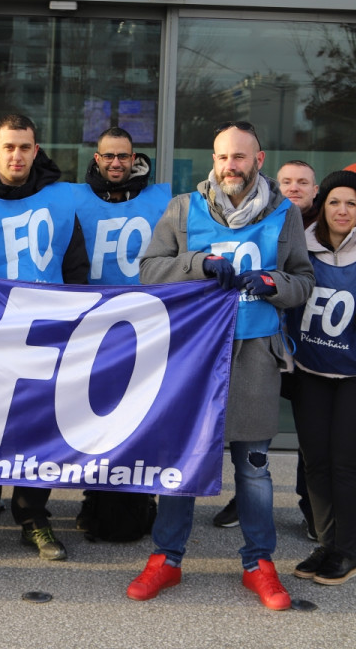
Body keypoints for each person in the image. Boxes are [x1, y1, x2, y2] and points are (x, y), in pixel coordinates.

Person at [127, 120, 313, 611]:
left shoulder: (284, 213)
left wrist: (275, 284)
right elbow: (149, 272)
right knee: (182, 459)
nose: (230, 166)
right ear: (214, 160)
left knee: (253, 467)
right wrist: (198, 264)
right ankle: (166, 558)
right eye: (222, 157)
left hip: (255, 351)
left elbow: (303, 280)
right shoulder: (183, 208)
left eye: (240, 157)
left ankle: (258, 563)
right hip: (193, 352)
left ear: (259, 160)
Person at [0, 114, 90, 562]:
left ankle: (33, 518)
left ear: (35, 148)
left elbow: (75, 268)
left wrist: (75, 325)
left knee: (37, 427)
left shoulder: (60, 202)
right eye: (9, 147)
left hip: (47, 332)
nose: (17, 155)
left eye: (25, 147)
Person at [286, 171, 356, 585]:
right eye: (334, 202)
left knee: (345, 464)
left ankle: (347, 552)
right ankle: (327, 544)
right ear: (322, 206)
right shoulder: (300, 246)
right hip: (312, 369)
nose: (342, 210)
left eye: (351, 203)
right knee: (315, 462)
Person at [71, 126, 169, 537]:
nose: (115, 163)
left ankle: (137, 501)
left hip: (145, 325)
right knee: (96, 420)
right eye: (108, 156)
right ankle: (95, 498)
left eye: (123, 156)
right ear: (97, 158)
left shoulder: (163, 199)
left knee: (138, 419)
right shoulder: (74, 197)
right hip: (93, 325)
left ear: (135, 158)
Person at [215, 158, 320, 534]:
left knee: (297, 442)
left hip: (296, 346)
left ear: (315, 189)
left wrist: (274, 283)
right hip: (251, 341)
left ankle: (311, 510)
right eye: (287, 180)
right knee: (239, 439)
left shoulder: (311, 224)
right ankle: (240, 502)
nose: (293, 187)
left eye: (302, 182)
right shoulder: (250, 215)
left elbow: (303, 279)